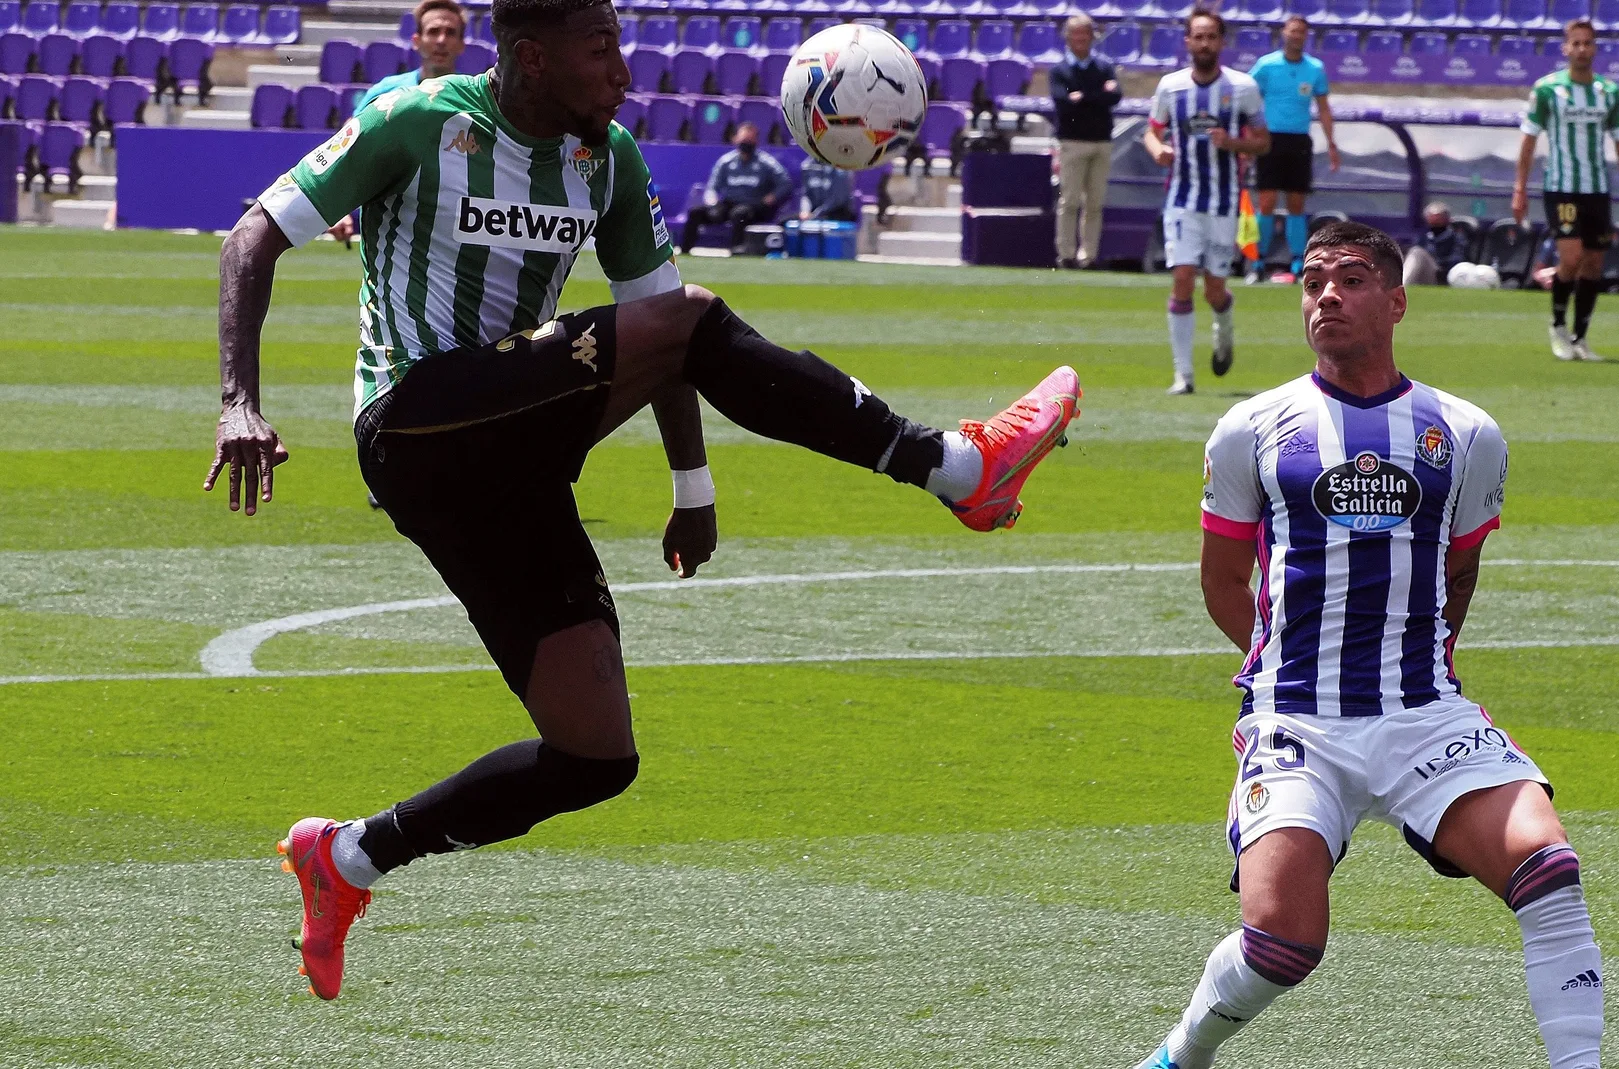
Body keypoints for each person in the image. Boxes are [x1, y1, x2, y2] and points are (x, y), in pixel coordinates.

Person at [209, 0, 1081, 1001]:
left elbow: (655, 330)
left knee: (594, 754)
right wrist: (239, 404)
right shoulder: (422, 121)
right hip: (415, 425)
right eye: (602, 51)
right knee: (695, 316)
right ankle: (955, 468)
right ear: (533, 58)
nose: (624, 72)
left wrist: (692, 482)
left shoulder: (607, 159)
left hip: (515, 458)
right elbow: (251, 238)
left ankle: (349, 858)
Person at [1132, 221, 1602, 1069]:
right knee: (1283, 944)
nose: (1326, 296)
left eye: (1349, 279)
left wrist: (1409, 657)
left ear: (1395, 300)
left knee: (1548, 866)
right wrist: (1284, 663)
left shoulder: (1466, 433)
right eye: (1312, 281)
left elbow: (1459, 573)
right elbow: (1220, 581)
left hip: (1423, 711)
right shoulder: (1251, 426)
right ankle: (1181, 1055)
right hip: (1299, 719)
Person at [1144, 6, 1268, 395]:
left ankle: (1224, 320)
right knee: (1182, 278)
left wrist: (1232, 142)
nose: (1204, 43)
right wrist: (1157, 150)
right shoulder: (1171, 86)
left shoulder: (1242, 87)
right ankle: (1184, 375)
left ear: (1221, 42)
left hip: (1224, 201)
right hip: (1181, 199)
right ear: (1187, 42)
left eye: (1211, 36)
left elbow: (1263, 142)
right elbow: (1152, 131)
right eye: (1197, 36)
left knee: (1214, 288)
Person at [1512, 18, 1619, 363]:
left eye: (1588, 43)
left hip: (1597, 189)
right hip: (1562, 188)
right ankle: (1557, 325)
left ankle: (1580, 337)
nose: (1582, 49)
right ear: (1566, 48)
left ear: (1595, 48)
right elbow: (1528, 141)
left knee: (1594, 264)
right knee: (1570, 258)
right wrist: (1519, 188)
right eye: (1576, 43)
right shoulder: (1547, 90)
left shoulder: (1608, 92)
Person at [326, 0, 469, 247]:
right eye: (433, 32)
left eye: (450, 33)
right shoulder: (388, 92)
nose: (441, 40)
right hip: (389, 231)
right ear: (417, 40)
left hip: (453, 231)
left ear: (461, 45)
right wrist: (337, 209)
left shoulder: (474, 97)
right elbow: (347, 147)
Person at [1244, 14, 1339, 284]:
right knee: (1266, 203)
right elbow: (1249, 100)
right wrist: (1248, 137)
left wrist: (1331, 143)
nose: (1296, 36)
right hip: (1270, 140)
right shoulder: (1267, 66)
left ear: (1306, 36)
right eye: (1292, 31)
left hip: (1298, 140)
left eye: (1301, 32)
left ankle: (1298, 262)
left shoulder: (1315, 69)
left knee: (1296, 204)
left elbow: (1323, 108)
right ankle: (1257, 262)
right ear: (1284, 33)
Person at [1049, 14, 1122, 269]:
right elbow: (1063, 103)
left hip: (1101, 141)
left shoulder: (1104, 67)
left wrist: (1084, 98)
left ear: (1092, 37)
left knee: (1095, 203)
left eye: (1085, 34)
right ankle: (1066, 254)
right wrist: (1099, 95)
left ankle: (1088, 255)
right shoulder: (1060, 70)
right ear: (1068, 37)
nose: (1080, 39)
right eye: (1075, 34)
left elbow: (1115, 98)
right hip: (1072, 142)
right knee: (1069, 201)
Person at [677, 122, 791, 253]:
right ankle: (685, 250)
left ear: (756, 141)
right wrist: (712, 202)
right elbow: (712, 187)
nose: (745, 143)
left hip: (754, 206)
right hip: (729, 203)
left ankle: (736, 250)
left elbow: (785, 183)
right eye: (743, 140)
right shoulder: (726, 162)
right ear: (736, 139)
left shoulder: (766, 163)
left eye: (749, 140)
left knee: (739, 214)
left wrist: (771, 198)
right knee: (695, 213)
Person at [1401, 202, 1470, 285]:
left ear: (1447, 219)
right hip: (1423, 275)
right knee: (1415, 252)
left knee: (1417, 252)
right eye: (1432, 219)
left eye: (1438, 219)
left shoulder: (1456, 238)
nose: (1435, 223)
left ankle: (1402, 285)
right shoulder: (1423, 238)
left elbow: (1458, 259)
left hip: (1443, 275)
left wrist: (1436, 262)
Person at [799, 157, 857, 223]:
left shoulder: (842, 167)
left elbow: (837, 199)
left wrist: (816, 214)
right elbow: (806, 194)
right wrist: (805, 211)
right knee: (787, 222)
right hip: (814, 216)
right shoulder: (807, 165)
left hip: (838, 215)